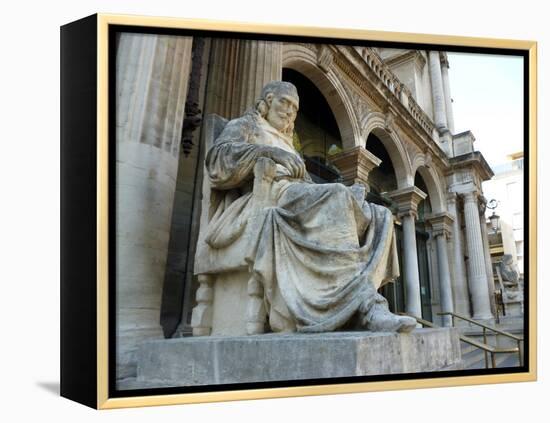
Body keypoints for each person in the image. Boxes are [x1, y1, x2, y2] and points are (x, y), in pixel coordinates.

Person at [194, 81, 416, 334]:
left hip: (294, 197)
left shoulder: (289, 143)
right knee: (337, 196)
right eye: (284, 102)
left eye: (295, 108)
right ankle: (365, 307)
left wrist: (348, 195)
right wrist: (268, 153)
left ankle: (351, 302)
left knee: (381, 214)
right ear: (266, 102)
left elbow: (308, 186)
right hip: (267, 196)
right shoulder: (246, 126)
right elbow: (217, 161)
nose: (289, 112)